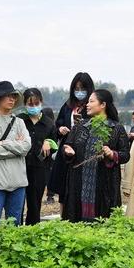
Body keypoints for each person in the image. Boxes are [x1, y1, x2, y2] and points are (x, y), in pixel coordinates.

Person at [62, 89, 130, 222]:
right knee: (76, 222)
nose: (87, 104)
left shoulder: (116, 128)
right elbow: (67, 145)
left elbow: (125, 155)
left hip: (104, 185)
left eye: (91, 101)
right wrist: (68, 151)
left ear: (103, 105)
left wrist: (112, 154)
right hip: (79, 184)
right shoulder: (80, 126)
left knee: (103, 222)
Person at [0, 81, 31, 232]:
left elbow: (26, 147)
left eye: (14, 96)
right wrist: (15, 145)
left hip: (18, 180)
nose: (12, 99)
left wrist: (3, 143)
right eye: (7, 96)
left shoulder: (19, 122)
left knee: (15, 225)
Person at [48, 72, 94, 212]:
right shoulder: (68, 106)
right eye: (76, 89)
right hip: (66, 151)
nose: (79, 92)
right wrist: (60, 129)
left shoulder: (91, 107)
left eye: (82, 89)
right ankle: (64, 216)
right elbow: (57, 125)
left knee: (80, 187)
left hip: (83, 153)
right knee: (64, 188)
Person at [18, 88, 57, 225]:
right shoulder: (20, 121)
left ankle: (32, 230)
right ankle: (15, 230)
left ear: (41, 102)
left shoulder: (49, 123)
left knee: (34, 203)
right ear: (25, 104)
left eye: (36, 103)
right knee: (18, 203)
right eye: (30, 104)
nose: (33, 107)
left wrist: (48, 142)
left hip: (40, 167)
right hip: (20, 167)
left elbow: (54, 146)